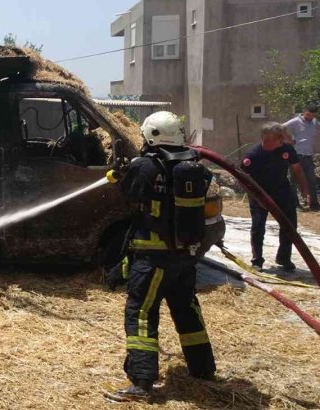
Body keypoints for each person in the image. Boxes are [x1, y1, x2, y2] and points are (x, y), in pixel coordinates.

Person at [105, 111, 216, 402]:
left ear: (150, 135)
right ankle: (203, 369)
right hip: (184, 257)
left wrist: (118, 172)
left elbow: (128, 197)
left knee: (141, 313)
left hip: (152, 260)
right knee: (187, 310)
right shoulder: (195, 168)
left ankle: (142, 384)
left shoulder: (144, 166)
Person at [240, 123, 309, 271]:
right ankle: (257, 260)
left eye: (271, 140)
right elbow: (243, 180)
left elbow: (297, 169)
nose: (267, 144)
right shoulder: (253, 155)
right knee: (258, 227)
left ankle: (284, 258)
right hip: (259, 193)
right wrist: (258, 199)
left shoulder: (287, 149)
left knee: (289, 226)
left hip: (282, 192)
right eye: (265, 140)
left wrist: (304, 189)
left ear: (280, 139)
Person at [283, 105, 320, 212]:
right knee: (294, 181)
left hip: (308, 156)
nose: (310, 117)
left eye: (313, 115)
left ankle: (314, 205)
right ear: (304, 112)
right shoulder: (296, 121)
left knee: (311, 180)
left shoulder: (314, 122)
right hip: (296, 155)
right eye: (308, 114)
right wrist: (289, 140)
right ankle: (294, 205)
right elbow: (281, 128)